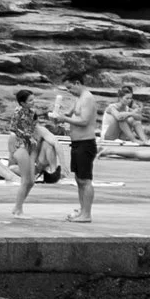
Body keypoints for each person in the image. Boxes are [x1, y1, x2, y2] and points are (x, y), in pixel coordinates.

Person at [51, 67, 105, 223]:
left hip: (86, 143)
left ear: (77, 83)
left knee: (85, 180)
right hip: (76, 143)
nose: (69, 91)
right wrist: (58, 116)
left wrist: (65, 119)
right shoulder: (78, 98)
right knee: (79, 179)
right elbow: (69, 114)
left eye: (70, 88)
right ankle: (82, 210)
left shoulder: (87, 98)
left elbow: (84, 121)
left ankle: (87, 214)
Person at [4, 88, 58, 217]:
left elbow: (34, 127)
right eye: (30, 100)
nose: (33, 102)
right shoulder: (17, 113)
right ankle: (18, 209)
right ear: (22, 103)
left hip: (31, 146)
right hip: (20, 146)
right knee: (26, 180)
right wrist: (26, 137)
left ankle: (18, 207)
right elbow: (13, 129)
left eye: (34, 99)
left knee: (31, 181)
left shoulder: (33, 113)